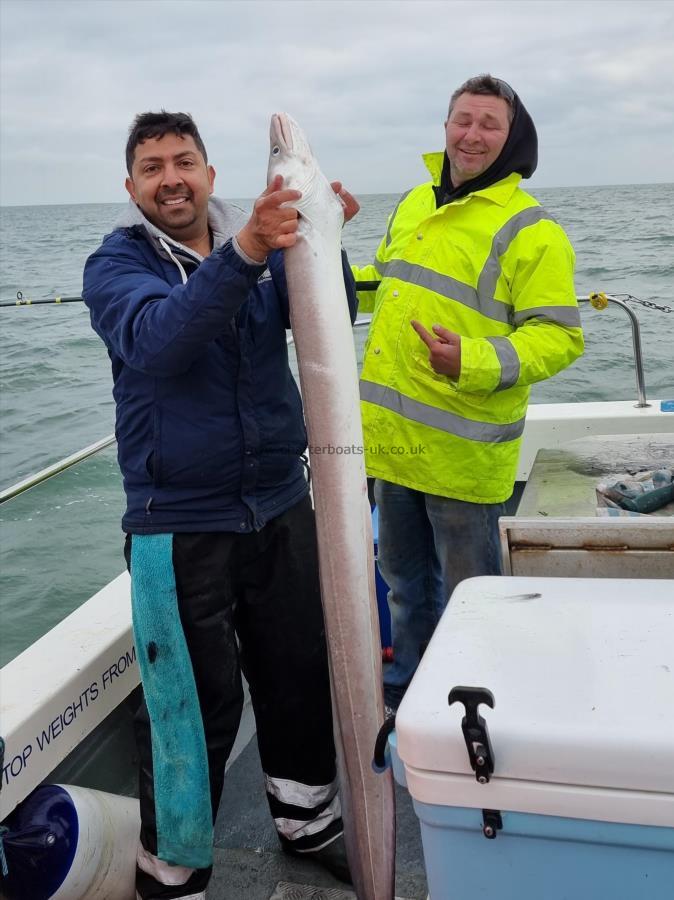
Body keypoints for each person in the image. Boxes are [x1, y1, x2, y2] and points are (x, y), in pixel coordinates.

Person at [83, 111, 358, 900]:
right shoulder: (115, 264)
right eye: (151, 166)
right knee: (188, 709)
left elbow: (321, 317)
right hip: (178, 526)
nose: (170, 177)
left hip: (279, 502)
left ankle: (307, 819)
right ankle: (174, 873)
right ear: (130, 185)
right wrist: (245, 254)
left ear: (209, 172)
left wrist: (321, 243)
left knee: (297, 674)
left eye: (184, 161)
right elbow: (158, 341)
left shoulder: (265, 249)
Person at [353, 74, 584, 712]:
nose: (472, 135)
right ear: (446, 125)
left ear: (512, 139)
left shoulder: (531, 229)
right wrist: (327, 264)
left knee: (471, 591)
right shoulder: (413, 204)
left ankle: (478, 697)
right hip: (393, 446)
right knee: (402, 584)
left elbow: (560, 337)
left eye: (489, 124)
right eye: (463, 119)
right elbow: (386, 279)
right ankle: (409, 694)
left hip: (465, 451)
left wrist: (474, 359)